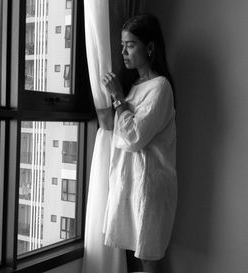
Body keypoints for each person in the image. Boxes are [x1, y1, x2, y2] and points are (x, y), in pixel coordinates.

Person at [101, 14, 177, 273]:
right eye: (122, 45)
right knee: (135, 255)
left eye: (130, 45)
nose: (122, 51)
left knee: (149, 257)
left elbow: (133, 137)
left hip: (150, 186)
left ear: (150, 48)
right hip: (130, 183)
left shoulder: (160, 87)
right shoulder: (134, 86)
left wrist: (118, 99)